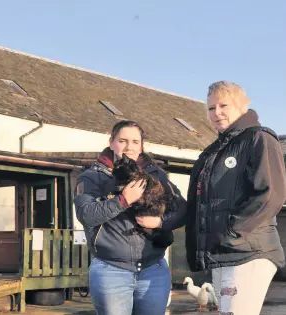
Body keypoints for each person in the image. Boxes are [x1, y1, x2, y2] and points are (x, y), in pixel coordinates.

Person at [185, 80, 286, 315]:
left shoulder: (259, 139)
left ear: (241, 105)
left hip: (248, 253)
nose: (216, 112)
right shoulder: (211, 152)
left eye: (224, 105)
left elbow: (271, 194)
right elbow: (198, 205)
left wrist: (230, 231)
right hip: (223, 254)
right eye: (211, 108)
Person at [74, 120, 186, 315]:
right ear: (111, 142)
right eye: (123, 140)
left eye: (135, 141)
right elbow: (86, 215)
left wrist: (160, 222)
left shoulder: (157, 176)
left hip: (154, 269)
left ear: (141, 145)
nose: (129, 147)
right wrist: (122, 201)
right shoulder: (92, 177)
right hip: (111, 270)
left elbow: (183, 210)